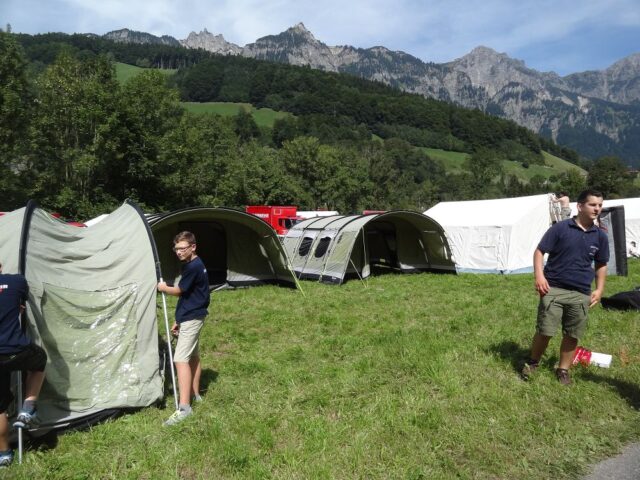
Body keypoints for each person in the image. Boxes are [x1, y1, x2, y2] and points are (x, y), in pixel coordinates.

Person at [522, 189, 609, 386]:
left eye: (600, 205)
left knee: (572, 334)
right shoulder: (560, 228)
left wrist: (599, 289)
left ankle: (563, 369)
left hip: (581, 293)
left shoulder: (600, 236)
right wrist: (539, 276)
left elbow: (601, 264)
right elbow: (539, 251)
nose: (597, 209)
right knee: (545, 331)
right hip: (553, 289)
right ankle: (533, 362)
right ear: (580, 206)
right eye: (593, 204)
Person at [157, 232, 210, 426]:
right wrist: (178, 319)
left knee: (180, 359)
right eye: (176, 248)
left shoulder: (194, 267)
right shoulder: (193, 264)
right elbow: (189, 296)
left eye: (182, 248)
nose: (179, 252)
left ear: (193, 247)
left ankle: (184, 408)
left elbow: (179, 291)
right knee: (193, 356)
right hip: (191, 316)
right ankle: (195, 394)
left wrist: (162, 288)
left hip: (193, 317)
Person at [0, 261, 47, 467]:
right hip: (15, 351)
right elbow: (19, 301)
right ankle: (28, 409)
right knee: (39, 360)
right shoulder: (16, 281)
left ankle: (4, 455)